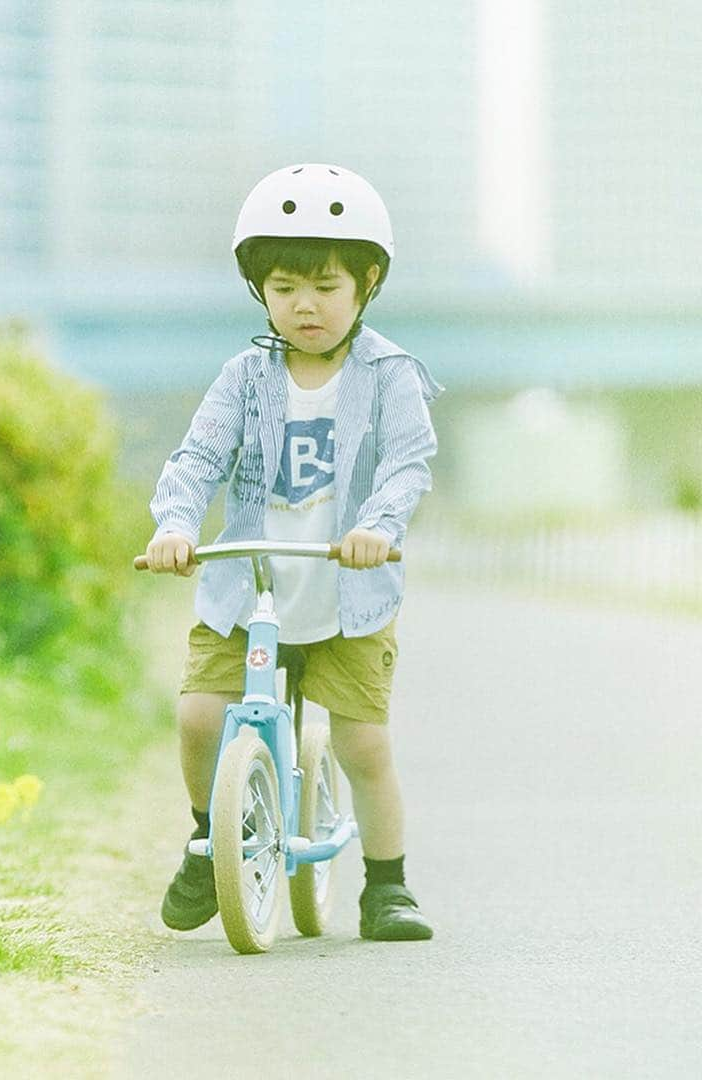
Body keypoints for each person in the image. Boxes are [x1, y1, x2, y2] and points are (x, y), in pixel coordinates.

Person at [145, 163, 443, 941]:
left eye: (325, 286)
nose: (304, 305)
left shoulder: (389, 375)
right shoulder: (245, 376)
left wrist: (377, 526)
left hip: (348, 590)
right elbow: (197, 459)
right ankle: (207, 835)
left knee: (363, 743)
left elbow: (408, 463)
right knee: (202, 717)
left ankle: (387, 886)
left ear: (367, 282)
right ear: (260, 292)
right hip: (251, 586)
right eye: (283, 287)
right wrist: (175, 526)